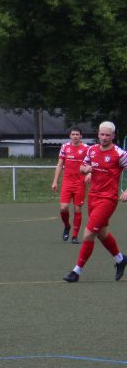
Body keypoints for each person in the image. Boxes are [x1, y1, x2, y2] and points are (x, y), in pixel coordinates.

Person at [63, 121, 127, 282]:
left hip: (108, 199)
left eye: (107, 135)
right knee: (101, 233)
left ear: (113, 136)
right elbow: (82, 167)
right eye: (102, 134)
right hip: (92, 197)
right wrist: (86, 170)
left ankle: (76, 271)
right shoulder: (91, 150)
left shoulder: (119, 154)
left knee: (89, 233)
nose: (104, 137)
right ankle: (120, 259)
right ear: (98, 134)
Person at [51, 126, 88, 243]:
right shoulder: (65, 147)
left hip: (80, 183)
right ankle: (67, 226)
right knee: (63, 208)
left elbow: (91, 165)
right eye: (73, 134)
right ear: (70, 136)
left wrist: (89, 174)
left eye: (77, 134)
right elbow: (59, 165)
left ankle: (75, 236)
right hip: (67, 182)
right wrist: (55, 181)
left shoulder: (87, 148)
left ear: (81, 136)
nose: (75, 136)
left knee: (77, 209)